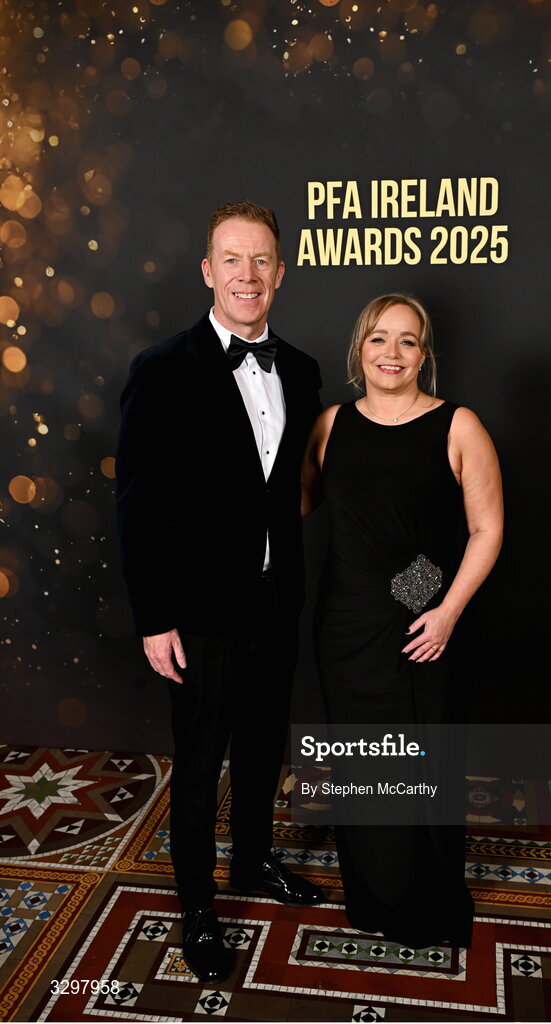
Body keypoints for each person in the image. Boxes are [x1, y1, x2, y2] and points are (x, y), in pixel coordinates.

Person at [116, 201, 324, 983]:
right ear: (208, 272)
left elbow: (290, 489)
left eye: (261, 260)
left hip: (277, 603)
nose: (247, 274)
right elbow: (135, 503)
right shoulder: (162, 368)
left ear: (280, 273)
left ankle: (254, 863)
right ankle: (198, 907)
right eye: (231, 260)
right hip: (197, 612)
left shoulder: (300, 370)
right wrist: (153, 617)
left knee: (265, 750)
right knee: (200, 767)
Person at [302, 293, 503, 948]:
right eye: (379, 338)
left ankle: (430, 904)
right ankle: (375, 898)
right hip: (344, 623)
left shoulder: (458, 424)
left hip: (422, 616)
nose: (392, 352)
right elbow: (294, 507)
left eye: (407, 340)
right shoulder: (330, 424)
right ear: (360, 348)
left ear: (426, 354)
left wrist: (443, 610)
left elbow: (485, 528)